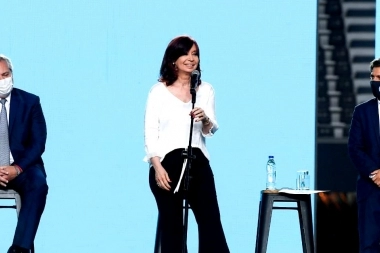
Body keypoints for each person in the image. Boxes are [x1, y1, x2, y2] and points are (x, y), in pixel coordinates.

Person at [143, 35, 230, 252]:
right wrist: (157, 166)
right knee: (173, 227)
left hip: (197, 163)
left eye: (195, 54)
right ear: (173, 59)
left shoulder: (205, 90)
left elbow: (210, 130)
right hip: (167, 165)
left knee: (211, 224)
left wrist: (206, 118)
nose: (191, 59)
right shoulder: (158, 91)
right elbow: (150, 131)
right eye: (185, 53)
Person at [0, 55, 48, 253]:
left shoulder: (30, 102)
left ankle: (19, 248)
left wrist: (16, 169)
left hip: (21, 168)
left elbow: (38, 143)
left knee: (38, 183)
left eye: (6, 74)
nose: (3, 81)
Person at [348, 58, 380, 253]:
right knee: (368, 247)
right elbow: (355, 148)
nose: (375, 81)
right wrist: (375, 173)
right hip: (370, 192)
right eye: (373, 77)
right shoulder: (362, 112)